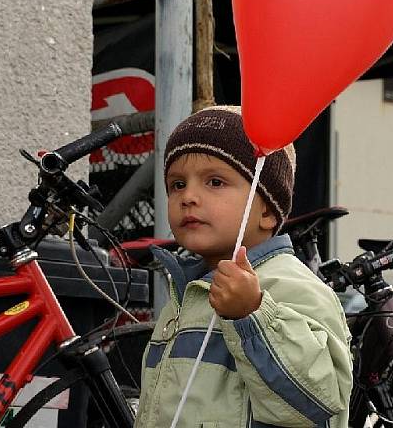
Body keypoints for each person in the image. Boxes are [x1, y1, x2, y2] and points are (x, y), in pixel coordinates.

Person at [134, 105, 353, 428]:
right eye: (177, 184)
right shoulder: (185, 295)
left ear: (266, 211)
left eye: (215, 182)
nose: (189, 196)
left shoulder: (291, 286)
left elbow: (320, 400)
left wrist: (252, 315)